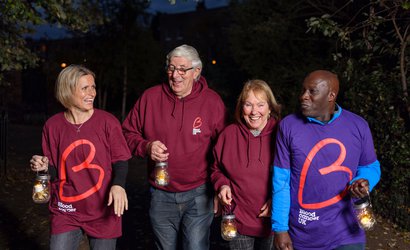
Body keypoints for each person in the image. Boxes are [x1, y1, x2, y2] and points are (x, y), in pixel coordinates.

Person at [122, 44, 227, 250]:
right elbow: (126, 134)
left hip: (199, 193)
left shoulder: (212, 102)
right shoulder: (150, 98)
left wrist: (219, 187)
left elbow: (224, 151)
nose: (175, 75)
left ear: (196, 71)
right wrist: (146, 146)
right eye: (171, 68)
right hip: (160, 193)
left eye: (182, 69)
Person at [271, 70, 381, 250]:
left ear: (331, 95)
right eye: (303, 90)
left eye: (312, 91)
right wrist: (280, 228)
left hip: (347, 231)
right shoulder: (288, 126)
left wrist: (365, 180)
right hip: (303, 233)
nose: (303, 96)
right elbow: (281, 181)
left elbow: (370, 166)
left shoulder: (358, 125)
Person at [29, 65, 131, 250]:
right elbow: (53, 168)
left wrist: (118, 184)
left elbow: (121, 160)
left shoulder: (107, 122)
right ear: (67, 91)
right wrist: (43, 166)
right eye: (85, 88)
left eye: (93, 87)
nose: (92, 93)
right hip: (66, 209)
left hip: (102, 210)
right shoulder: (52, 126)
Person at [211, 79, 281, 249]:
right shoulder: (229, 134)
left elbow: (295, 173)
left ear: (270, 108)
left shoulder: (282, 134)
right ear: (241, 108)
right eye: (248, 105)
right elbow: (216, 168)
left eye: (260, 105)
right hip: (238, 219)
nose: (254, 111)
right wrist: (222, 185)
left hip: (273, 221)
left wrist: (278, 200)